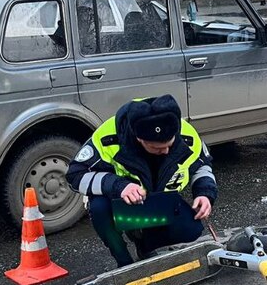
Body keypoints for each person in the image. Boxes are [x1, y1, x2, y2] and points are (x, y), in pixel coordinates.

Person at [66, 95, 217, 267]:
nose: (166, 151)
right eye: (157, 148)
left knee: (192, 229)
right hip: (120, 201)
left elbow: (202, 166)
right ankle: (123, 261)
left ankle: (144, 245)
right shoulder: (108, 137)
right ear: (139, 139)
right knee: (98, 207)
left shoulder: (186, 133)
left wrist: (205, 194)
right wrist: (118, 186)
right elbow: (75, 175)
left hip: (158, 200)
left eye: (170, 144)